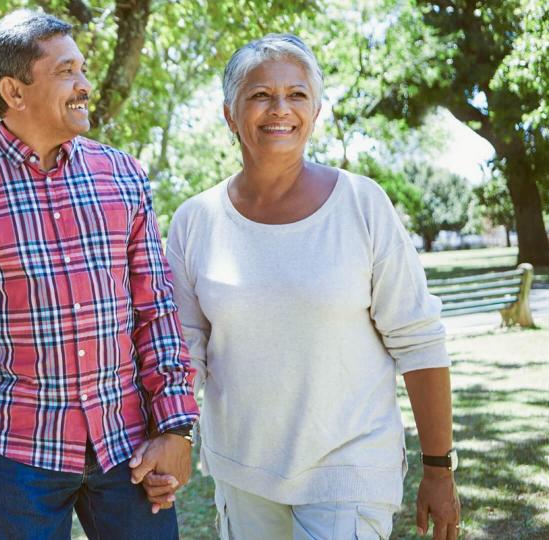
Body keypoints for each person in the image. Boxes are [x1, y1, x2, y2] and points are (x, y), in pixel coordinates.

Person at [0, 9, 199, 540]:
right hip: (20, 454)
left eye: (82, 70)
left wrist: (174, 425)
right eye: (66, 72)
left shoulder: (122, 176)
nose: (85, 86)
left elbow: (156, 309)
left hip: (126, 444)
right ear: (15, 91)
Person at [158, 34, 461, 539]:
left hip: (349, 468)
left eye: (296, 95)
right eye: (260, 95)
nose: (280, 109)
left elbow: (420, 339)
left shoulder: (362, 205)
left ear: (315, 111)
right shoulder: (195, 220)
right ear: (231, 115)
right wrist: (173, 435)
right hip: (243, 471)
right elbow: (185, 348)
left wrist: (438, 466)